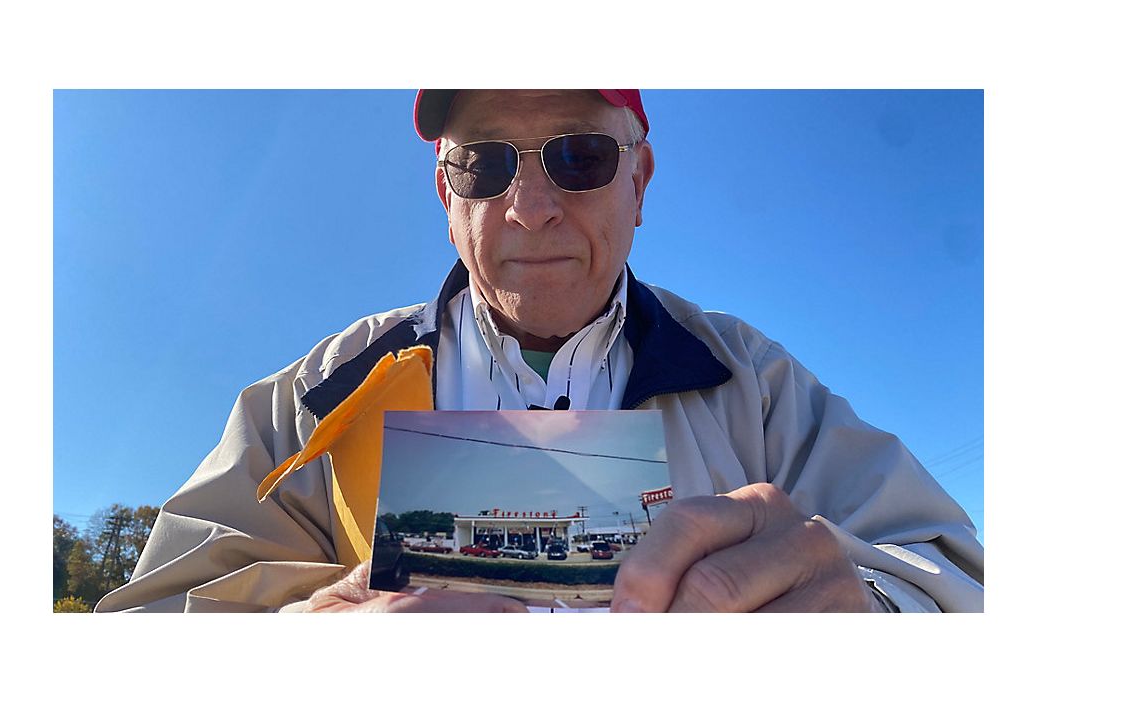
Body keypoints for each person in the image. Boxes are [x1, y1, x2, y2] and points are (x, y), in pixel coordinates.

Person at [95, 89, 984, 613]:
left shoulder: (753, 382)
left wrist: (868, 611)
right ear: (446, 195)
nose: (529, 207)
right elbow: (147, 620)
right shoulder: (315, 397)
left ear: (640, 181)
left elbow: (955, 575)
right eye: (485, 164)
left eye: (580, 156)